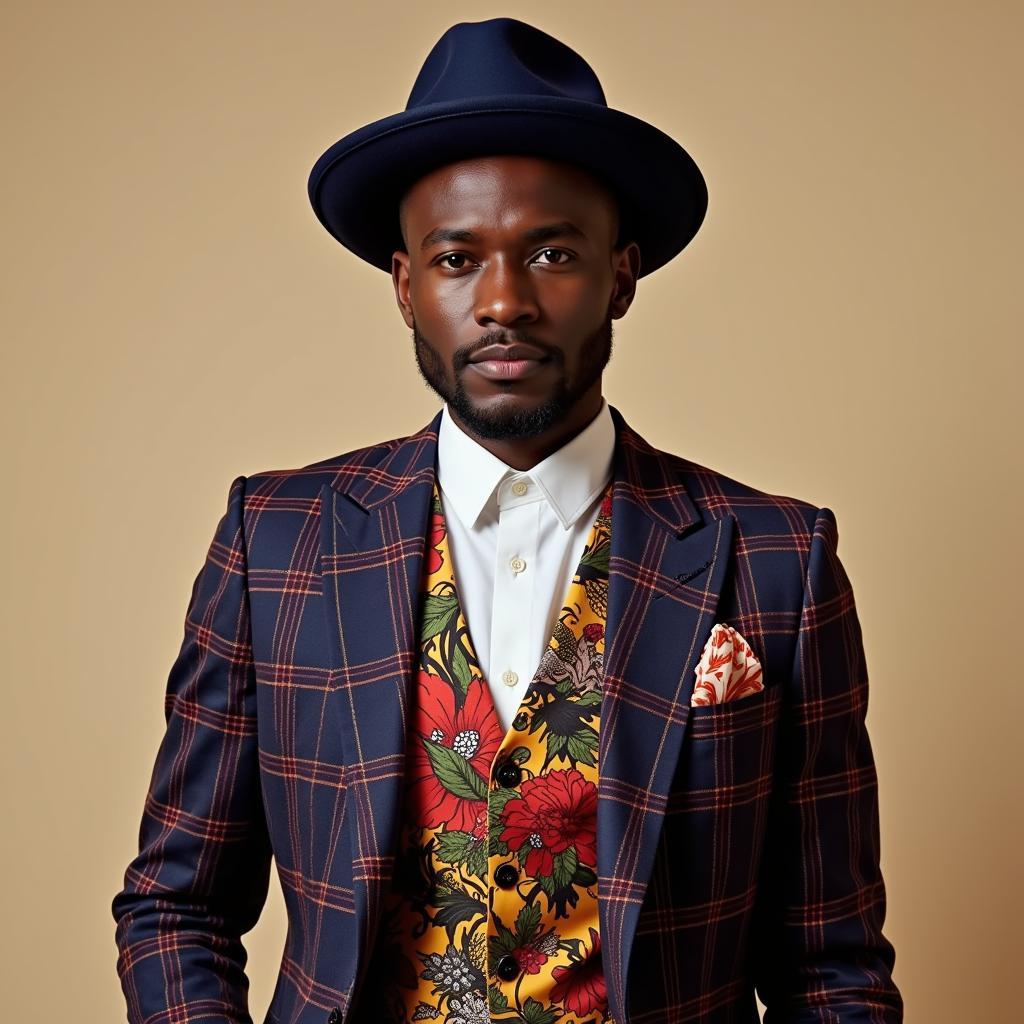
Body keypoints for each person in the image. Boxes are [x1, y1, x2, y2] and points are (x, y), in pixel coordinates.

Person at [112, 17, 903, 1024]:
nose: (502, 301)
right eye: (454, 259)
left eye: (552, 252)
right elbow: (174, 905)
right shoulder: (277, 544)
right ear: (405, 288)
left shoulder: (778, 561)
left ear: (621, 274)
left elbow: (829, 965)